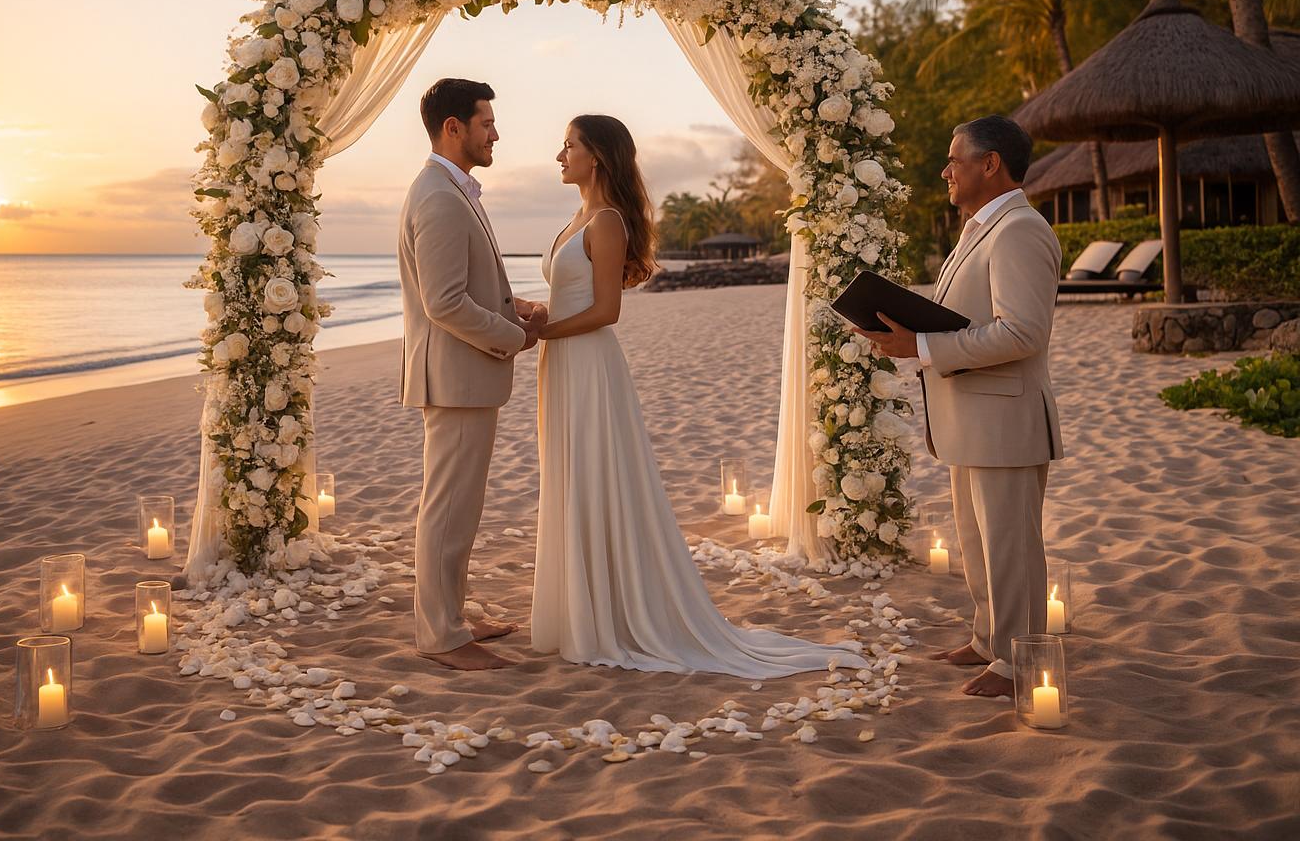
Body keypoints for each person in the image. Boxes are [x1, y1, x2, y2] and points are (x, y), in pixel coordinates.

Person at [530, 113, 865, 678]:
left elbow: (607, 311)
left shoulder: (607, 221)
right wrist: (533, 312)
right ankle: (581, 605)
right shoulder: (577, 217)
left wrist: (542, 330)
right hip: (563, 360)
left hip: (588, 365)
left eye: (569, 146)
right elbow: (569, 298)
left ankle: (612, 612)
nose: (559, 156)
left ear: (598, 158)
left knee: (593, 474)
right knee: (570, 475)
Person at [854, 115, 1064, 698]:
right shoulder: (977, 231)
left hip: (1005, 417)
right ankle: (988, 640)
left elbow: (1023, 333)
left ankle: (1020, 660)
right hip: (969, 415)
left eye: (955, 160)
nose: (946, 171)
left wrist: (921, 346)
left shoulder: (1020, 230)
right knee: (976, 541)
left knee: (1010, 546)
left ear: (990, 163)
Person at [396, 78, 544, 671]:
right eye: (486, 122)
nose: (496, 132)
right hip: (454, 377)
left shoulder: (453, 189)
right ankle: (439, 636)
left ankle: (452, 617)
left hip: (462, 374)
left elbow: (470, 286)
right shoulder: (436, 195)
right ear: (452, 127)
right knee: (449, 506)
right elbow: (445, 303)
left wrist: (517, 307)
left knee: (461, 504)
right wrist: (514, 337)